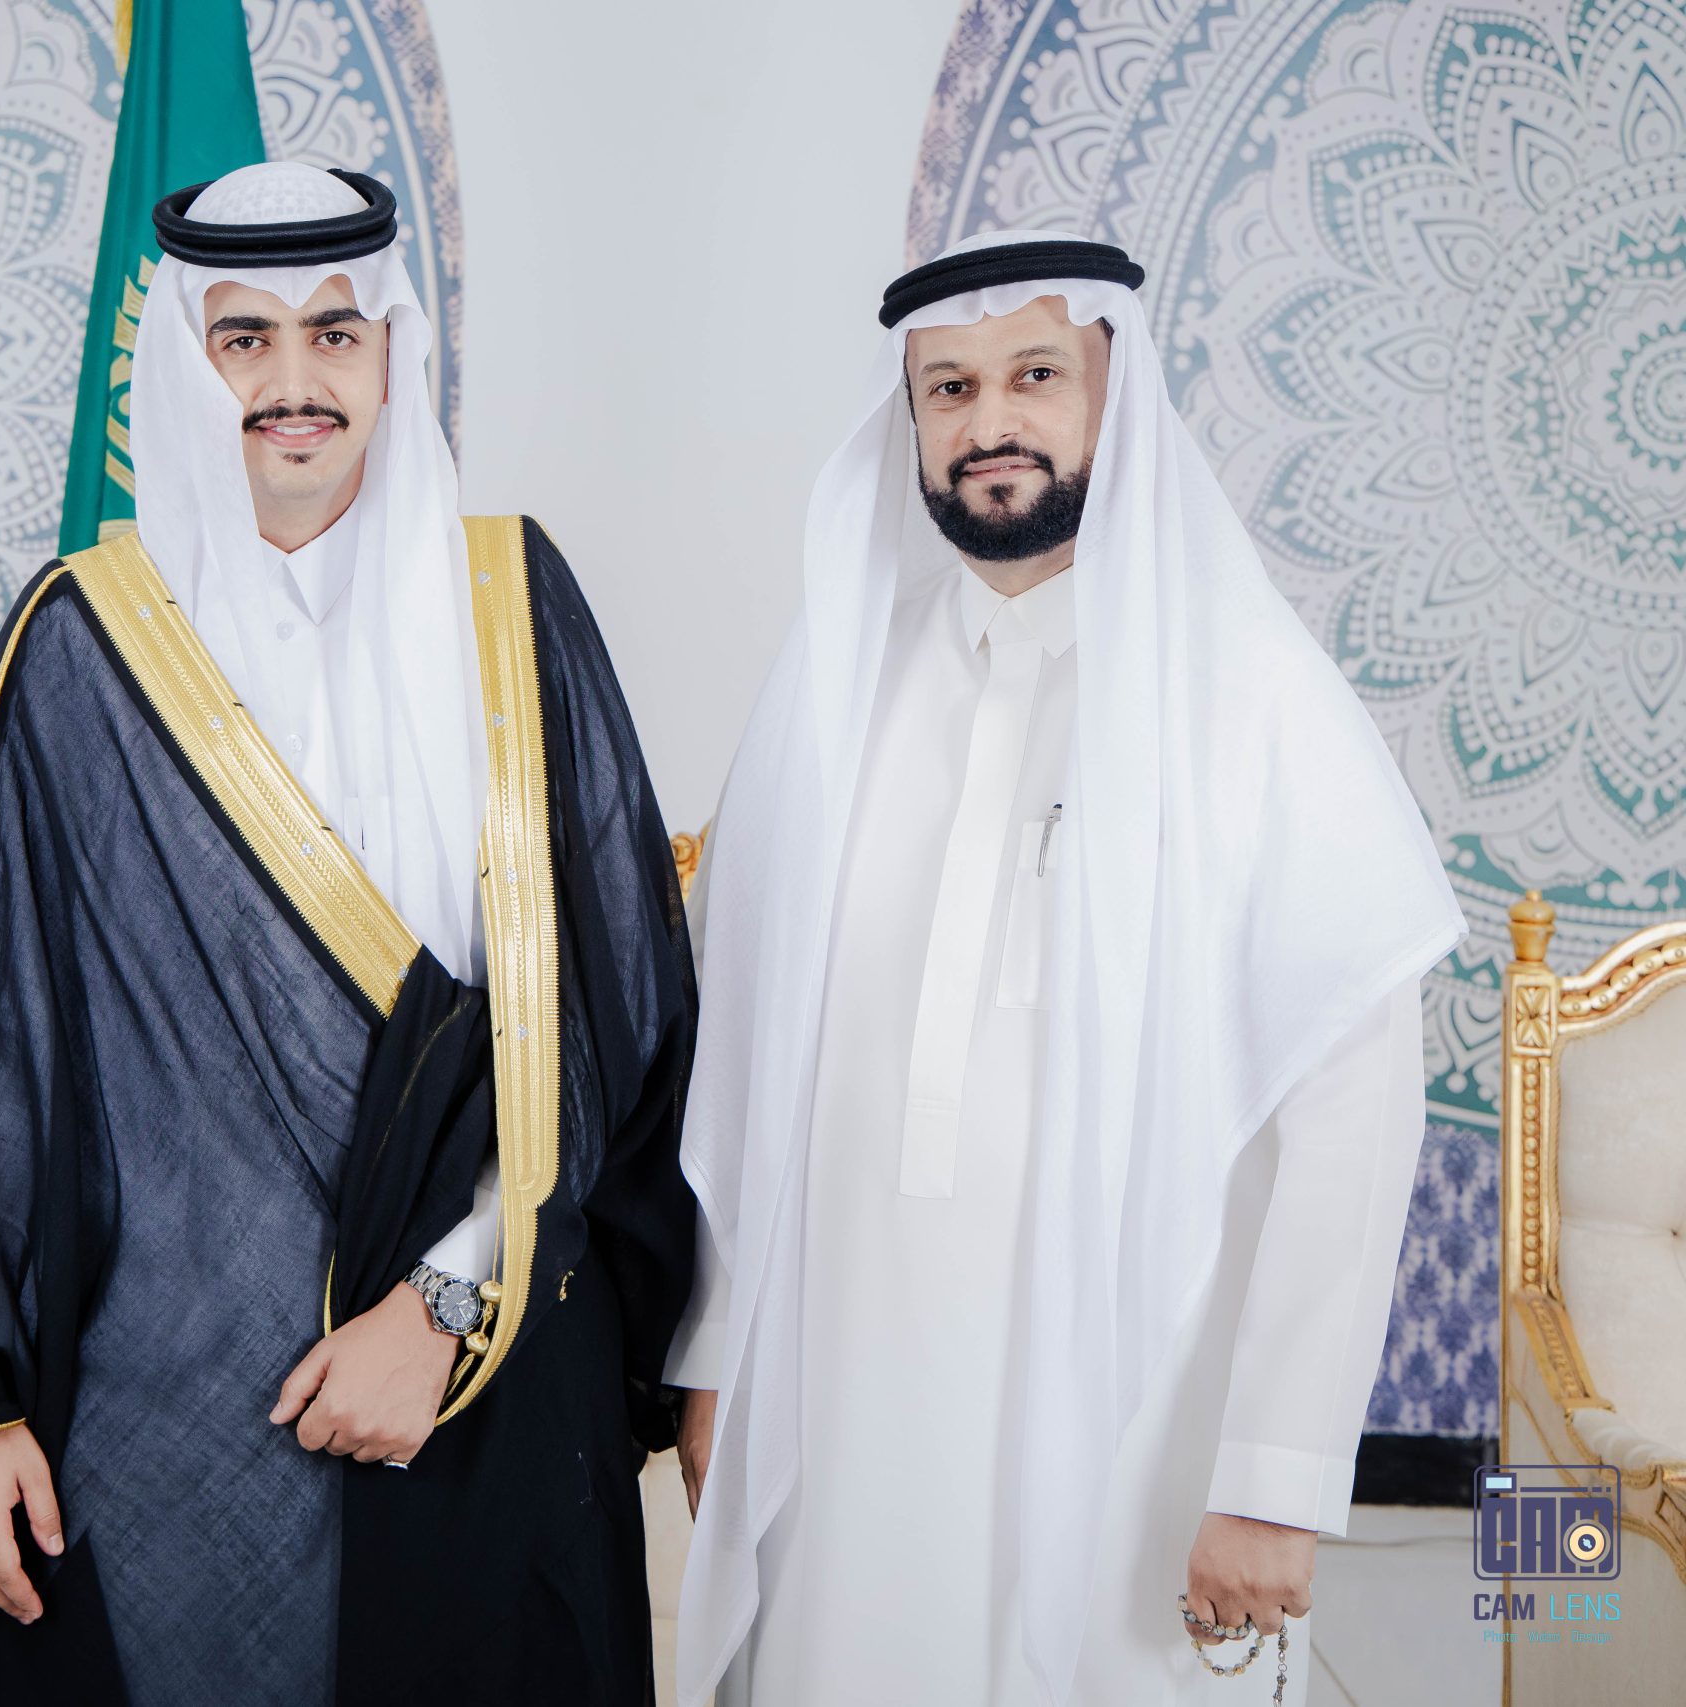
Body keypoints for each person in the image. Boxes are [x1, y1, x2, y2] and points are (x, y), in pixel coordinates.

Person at [0, 162, 698, 1706]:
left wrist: (446, 1302)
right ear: (186, 362)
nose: (294, 380)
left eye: (335, 331)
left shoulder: (510, 600)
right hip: (162, 1392)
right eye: (244, 337)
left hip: (478, 1363)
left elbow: (603, 1020)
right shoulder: (80, 640)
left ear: (392, 354)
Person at [666, 233, 1464, 1705]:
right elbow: (743, 1052)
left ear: (1114, 395)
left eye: (1035, 375)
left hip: (1139, 1430)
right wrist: (718, 1349)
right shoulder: (835, 689)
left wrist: (1274, 1473)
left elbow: (1351, 1123)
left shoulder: (1250, 699)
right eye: (949, 387)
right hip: (844, 1409)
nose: (990, 421)